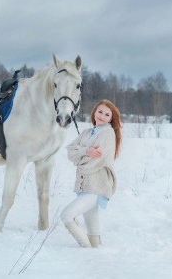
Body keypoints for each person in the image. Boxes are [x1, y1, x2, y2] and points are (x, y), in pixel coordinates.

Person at [60, 99, 122, 248]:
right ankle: (95, 249)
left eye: (107, 115)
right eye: (100, 111)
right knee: (92, 224)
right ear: (94, 112)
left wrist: (80, 161)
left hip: (97, 186)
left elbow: (98, 160)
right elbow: (70, 151)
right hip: (85, 185)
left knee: (67, 216)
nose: (102, 116)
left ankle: (86, 249)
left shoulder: (107, 133)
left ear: (111, 119)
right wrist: (86, 151)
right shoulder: (87, 132)